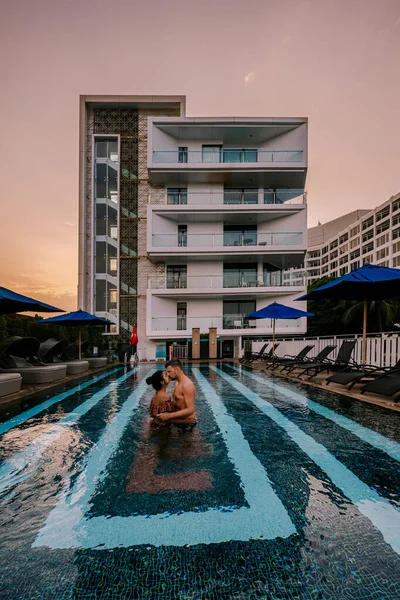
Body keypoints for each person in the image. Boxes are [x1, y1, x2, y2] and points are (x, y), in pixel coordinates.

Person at [158, 358, 197, 433]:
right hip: (179, 421)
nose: (168, 374)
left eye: (169, 371)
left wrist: (168, 416)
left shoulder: (187, 385)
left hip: (187, 425)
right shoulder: (178, 383)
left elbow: (190, 410)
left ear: (177, 369)